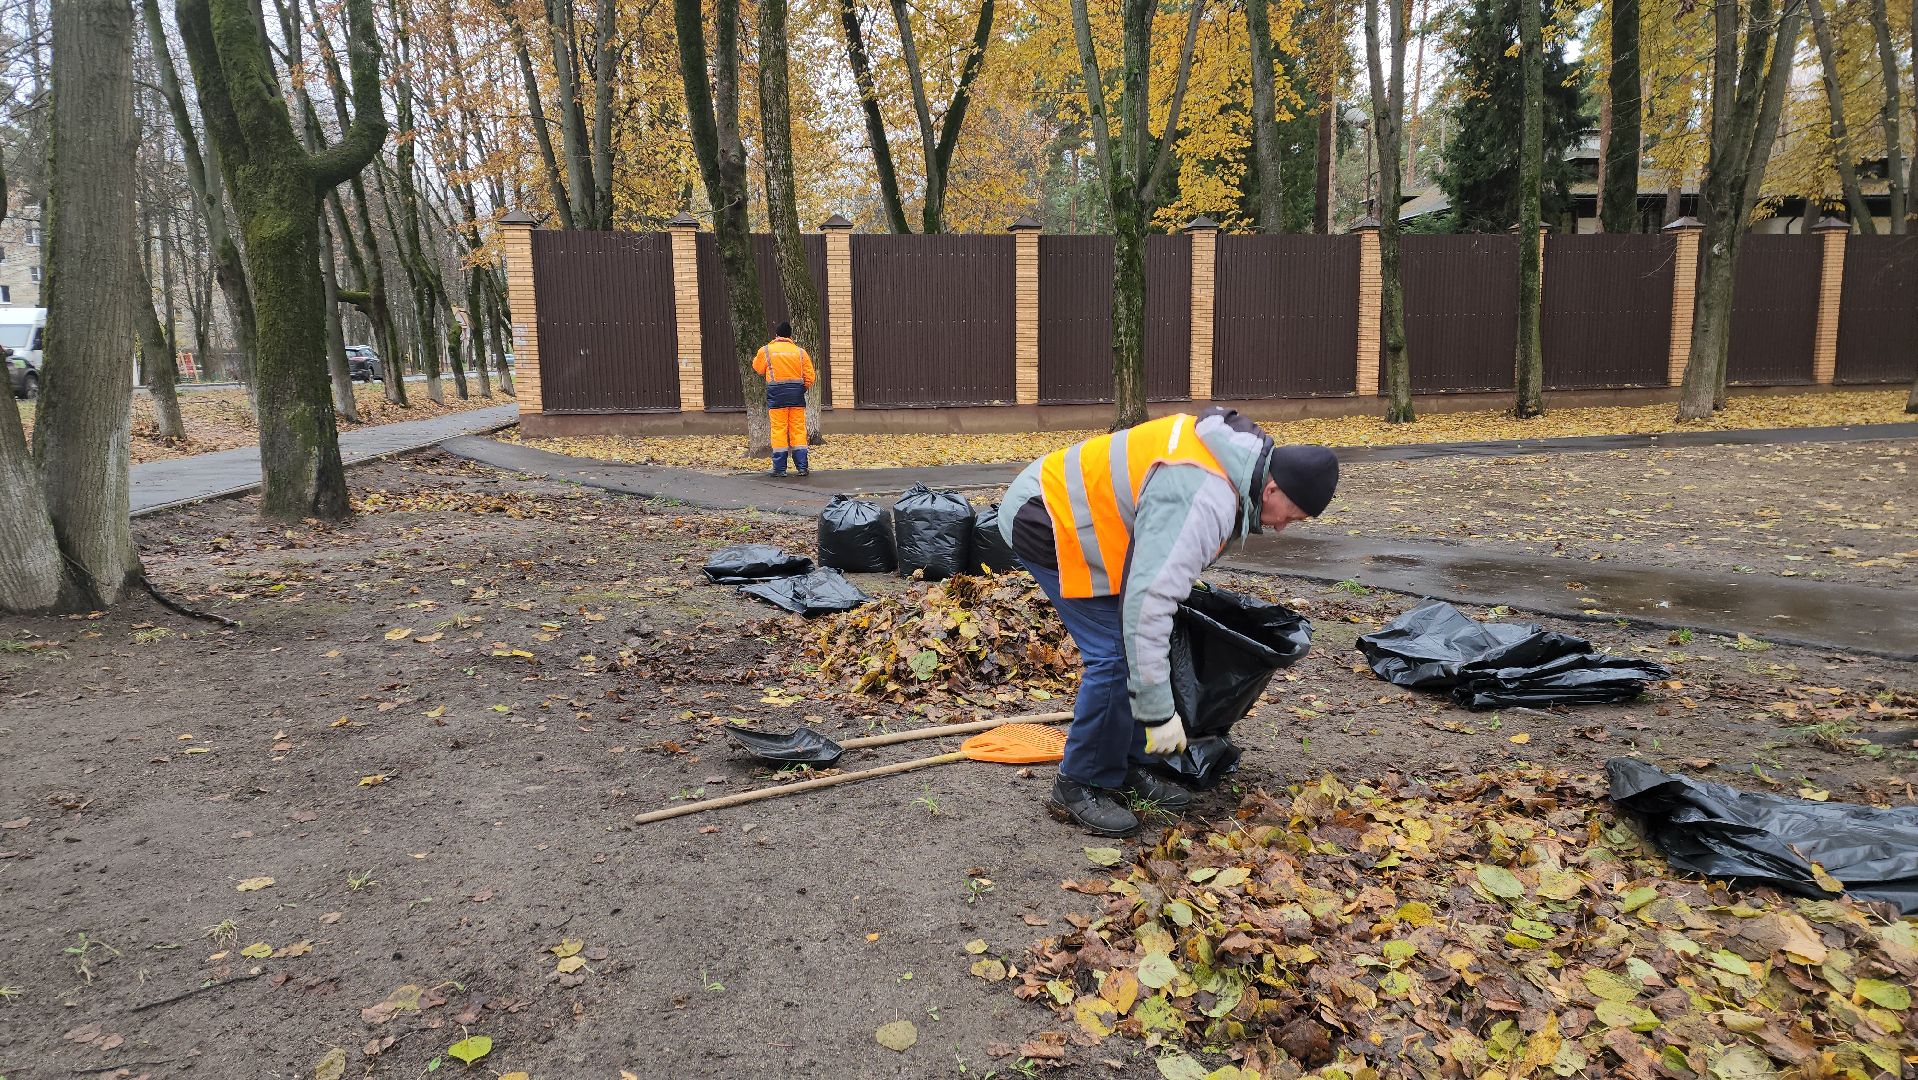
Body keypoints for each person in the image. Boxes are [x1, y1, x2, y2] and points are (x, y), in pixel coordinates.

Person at [998, 408, 1339, 836]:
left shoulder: (1240, 464)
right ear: (1272, 488)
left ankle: (1120, 767)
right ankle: (1078, 784)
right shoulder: (1204, 496)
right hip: (1048, 516)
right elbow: (1148, 605)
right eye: (1291, 515)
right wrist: (1158, 714)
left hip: (1100, 523)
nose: (1286, 528)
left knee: (1135, 647)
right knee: (1116, 657)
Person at [752, 321, 816, 477]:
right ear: (790, 336)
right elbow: (810, 377)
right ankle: (802, 467)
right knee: (798, 429)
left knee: (779, 430)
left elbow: (758, 368)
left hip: (776, 396)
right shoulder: (800, 352)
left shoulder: (766, 350)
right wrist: (801, 388)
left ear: (776, 335)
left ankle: (780, 469)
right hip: (796, 395)